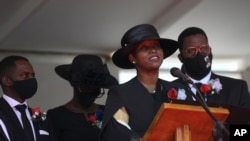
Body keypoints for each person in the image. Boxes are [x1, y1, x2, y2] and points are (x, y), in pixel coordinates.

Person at [99, 24, 188, 141]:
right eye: (144, 48)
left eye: (156, 45)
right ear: (132, 58)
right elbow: (117, 134)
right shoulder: (121, 93)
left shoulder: (175, 89)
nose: (153, 50)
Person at [172, 26, 250, 108]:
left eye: (204, 48)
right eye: (191, 51)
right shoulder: (170, 89)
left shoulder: (236, 88)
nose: (199, 54)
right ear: (181, 57)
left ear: (210, 50)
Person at [46, 54, 118, 141]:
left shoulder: (108, 113)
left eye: (96, 86)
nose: (91, 90)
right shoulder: (55, 116)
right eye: (86, 86)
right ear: (73, 83)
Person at [0, 55, 54, 141]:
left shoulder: (40, 117)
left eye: (33, 75)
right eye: (25, 75)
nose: (31, 79)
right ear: (7, 80)